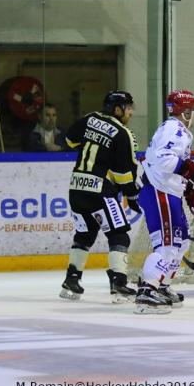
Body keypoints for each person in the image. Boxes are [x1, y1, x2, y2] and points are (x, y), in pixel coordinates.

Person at [59, 90, 141, 302]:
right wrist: (132, 196)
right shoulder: (123, 134)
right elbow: (124, 174)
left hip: (76, 187)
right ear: (117, 109)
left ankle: (72, 279)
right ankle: (119, 283)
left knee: (85, 234)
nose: (131, 112)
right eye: (128, 108)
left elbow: (68, 140)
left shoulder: (89, 118)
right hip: (100, 191)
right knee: (119, 235)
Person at [134, 90, 194, 314]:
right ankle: (147, 291)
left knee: (181, 243)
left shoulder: (178, 131)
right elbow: (165, 161)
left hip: (168, 191)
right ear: (185, 112)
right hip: (159, 192)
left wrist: (191, 194)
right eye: (192, 111)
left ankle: (162, 284)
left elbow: (173, 167)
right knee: (167, 245)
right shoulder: (173, 129)